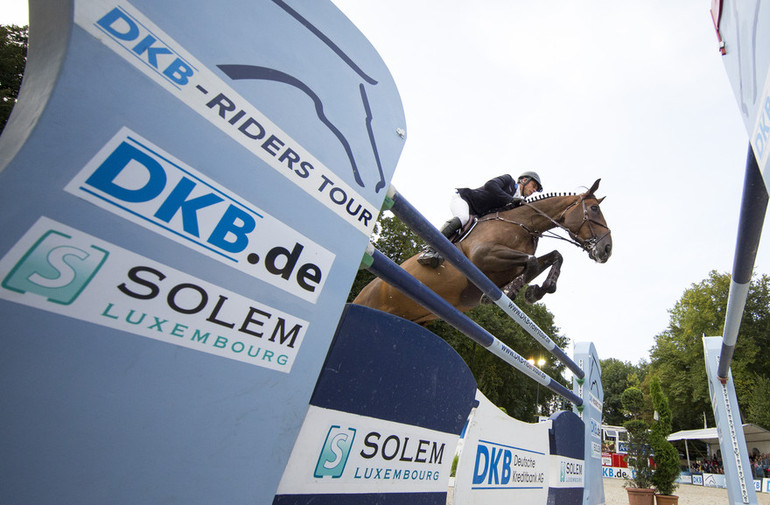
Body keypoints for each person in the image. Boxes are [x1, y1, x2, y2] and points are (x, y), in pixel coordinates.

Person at [418, 171, 543, 267]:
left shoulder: (517, 203)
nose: (533, 190)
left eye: (536, 189)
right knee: (463, 218)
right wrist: (510, 200)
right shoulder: (508, 181)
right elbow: (490, 186)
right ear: (524, 180)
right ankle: (430, 249)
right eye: (533, 186)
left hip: (477, 216)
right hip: (465, 200)